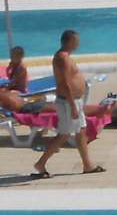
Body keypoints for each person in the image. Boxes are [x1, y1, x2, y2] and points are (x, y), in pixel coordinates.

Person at [35, 29, 105, 177]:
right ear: (70, 41)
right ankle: (41, 163)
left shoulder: (66, 56)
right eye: (76, 41)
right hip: (68, 102)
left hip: (74, 101)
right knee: (64, 135)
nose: (78, 43)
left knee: (81, 132)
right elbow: (65, 83)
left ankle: (87, 165)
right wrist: (72, 105)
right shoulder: (62, 58)